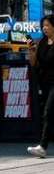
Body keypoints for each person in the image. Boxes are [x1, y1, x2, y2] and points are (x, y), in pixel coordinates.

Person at [26, 15, 54, 158]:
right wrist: (31, 50)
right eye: (43, 25)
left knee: (48, 112)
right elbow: (34, 63)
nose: (45, 28)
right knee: (49, 113)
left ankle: (42, 146)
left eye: (48, 25)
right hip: (45, 82)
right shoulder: (42, 42)